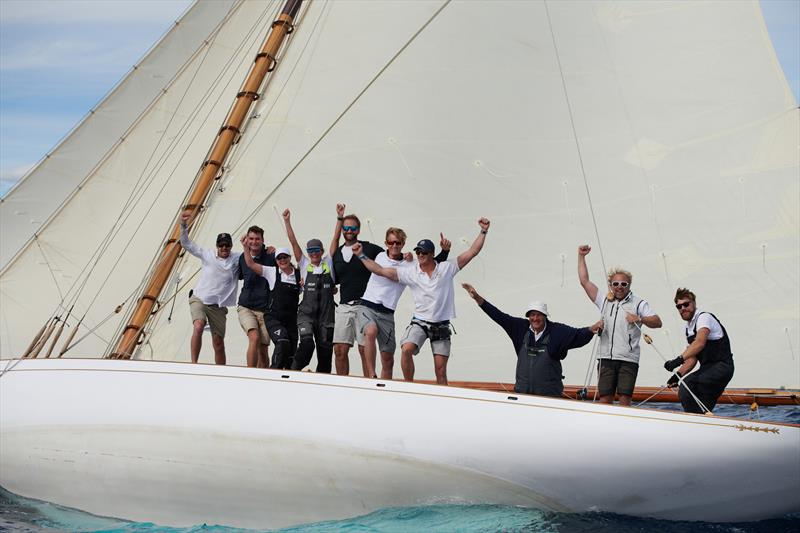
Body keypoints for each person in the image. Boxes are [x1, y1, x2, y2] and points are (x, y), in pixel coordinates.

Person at [353, 217, 491, 385]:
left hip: (441, 324)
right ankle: (409, 386)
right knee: (406, 349)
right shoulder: (411, 272)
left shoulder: (447, 268)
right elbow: (381, 271)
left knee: (440, 370)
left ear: (432, 254)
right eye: (418, 252)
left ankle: (442, 399)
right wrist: (360, 256)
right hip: (419, 322)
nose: (420, 255)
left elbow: (472, 252)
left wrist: (483, 231)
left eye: (424, 252)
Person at [462, 283, 603, 397]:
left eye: (539, 315)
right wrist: (478, 298)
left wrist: (592, 329)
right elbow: (499, 316)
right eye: (532, 315)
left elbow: (578, 335)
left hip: (549, 397)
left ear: (545, 316)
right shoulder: (520, 328)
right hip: (523, 396)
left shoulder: (558, 331)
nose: (535, 319)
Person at [356, 228, 450, 379]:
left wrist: (445, 252)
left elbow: (431, 263)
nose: (394, 245)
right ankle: (371, 376)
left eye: (398, 243)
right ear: (385, 243)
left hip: (387, 312)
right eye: (391, 242)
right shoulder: (379, 255)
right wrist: (360, 254)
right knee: (371, 332)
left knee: (388, 359)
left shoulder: (411, 264)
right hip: (368, 305)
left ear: (403, 244)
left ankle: (385, 390)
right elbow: (376, 269)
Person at [577, 244, 662, 406]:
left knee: (624, 399)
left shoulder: (638, 303)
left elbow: (657, 322)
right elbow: (584, 281)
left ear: (629, 285)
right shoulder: (604, 301)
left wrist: (640, 319)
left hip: (628, 359)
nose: (619, 287)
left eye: (623, 284)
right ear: (610, 285)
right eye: (615, 284)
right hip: (606, 358)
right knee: (604, 398)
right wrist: (581, 256)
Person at [179, 211, 241, 365]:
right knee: (198, 326)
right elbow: (187, 244)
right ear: (217, 246)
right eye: (221, 245)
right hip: (199, 299)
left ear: (231, 246)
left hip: (218, 306)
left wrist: (268, 250)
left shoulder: (237, 257)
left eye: (227, 245)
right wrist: (183, 225)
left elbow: (254, 256)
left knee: (218, 343)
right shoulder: (207, 255)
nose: (224, 247)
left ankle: (221, 370)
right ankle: (194, 363)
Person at [330, 203, 383, 376]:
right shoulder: (336, 253)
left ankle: (368, 385)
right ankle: (342, 385)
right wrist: (339, 218)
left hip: (364, 306)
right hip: (344, 306)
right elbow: (334, 245)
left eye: (353, 228)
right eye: (346, 228)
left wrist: (406, 256)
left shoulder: (369, 248)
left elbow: (390, 257)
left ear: (358, 230)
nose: (349, 230)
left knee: (364, 349)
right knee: (339, 349)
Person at [663, 288, 734, 413]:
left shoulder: (704, 318)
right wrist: (677, 376)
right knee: (702, 404)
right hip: (708, 369)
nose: (683, 308)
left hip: (722, 367)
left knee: (687, 387)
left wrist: (677, 360)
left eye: (686, 304)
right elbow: (692, 358)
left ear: (694, 303)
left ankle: (695, 422)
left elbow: (699, 343)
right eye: (679, 306)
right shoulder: (689, 328)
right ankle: (704, 424)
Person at [283, 209, 336, 373]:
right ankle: (293, 371)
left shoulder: (329, 262)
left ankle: (322, 383)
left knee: (325, 354)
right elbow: (293, 243)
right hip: (306, 314)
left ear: (322, 251)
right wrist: (287, 221)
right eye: (310, 251)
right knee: (307, 345)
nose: (313, 254)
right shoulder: (305, 264)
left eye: (316, 250)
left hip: (326, 317)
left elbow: (336, 239)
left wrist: (339, 218)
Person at [240, 241, 301, 370]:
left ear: (290, 258)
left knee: (291, 356)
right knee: (282, 342)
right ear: (276, 260)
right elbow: (250, 264)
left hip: (291, 321)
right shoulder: (272, 272)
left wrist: (332, 290)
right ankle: (273, 371)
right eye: (279, 258)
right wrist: (246, 247)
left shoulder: (299, 275)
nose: (282, 260)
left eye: (285, 257)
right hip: (274, 318)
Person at [237, 225, 275, 368]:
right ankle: (250, 373)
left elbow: (286, 268)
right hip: (246, 307)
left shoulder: (271, 256)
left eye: (257, 239)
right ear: (247, 239)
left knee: (263, 350)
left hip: (264, 310)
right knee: (254, 337)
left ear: (262, 240)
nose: (254, 242)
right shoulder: (242, 258)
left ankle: (262, 378)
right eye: (251, 239)